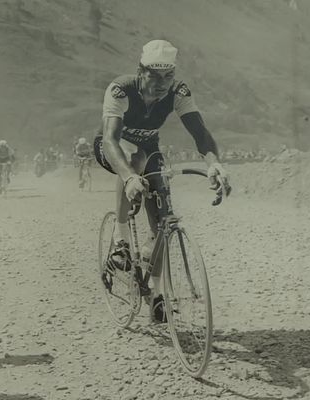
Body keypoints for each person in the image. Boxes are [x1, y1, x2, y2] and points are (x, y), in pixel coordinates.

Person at [94, 40, 231, 323]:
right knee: (135, 161)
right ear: (140, 71)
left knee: (163, 223)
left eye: (168, 76)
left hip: (149, 149)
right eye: (154, 76)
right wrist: (130, 177)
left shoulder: (178, 92)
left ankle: (158, 295)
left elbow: (200, 133)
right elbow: (110, 139)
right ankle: (121, 242)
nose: (162, 84)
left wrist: (214, 163)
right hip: (114, 149)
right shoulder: (121, 89)